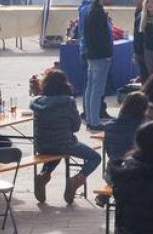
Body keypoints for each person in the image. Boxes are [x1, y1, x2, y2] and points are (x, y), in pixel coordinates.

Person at [30, 68, 103, 205]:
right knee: (95, 157)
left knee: (55, 152)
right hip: (64, 143)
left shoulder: (37, 102)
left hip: (42, 145)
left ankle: (44, 174)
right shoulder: (68, 102)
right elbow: (76, 127)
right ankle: (76, 180)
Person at [84, 0, 115, 131]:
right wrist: (107, 54)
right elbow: (100, 37)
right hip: (100, 56)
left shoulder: (92, 10)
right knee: (97, 90)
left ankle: (91, 118)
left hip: (92, 55)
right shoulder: (98, 12)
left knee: (91, 88)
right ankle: (95, 121)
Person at [104, 91, 150, 169]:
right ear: (144, 109)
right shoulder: (145, 127)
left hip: (113, 170)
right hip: (136, 171)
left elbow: (109, 152)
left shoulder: (109, 125)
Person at [131, 0, 151, 82]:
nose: (134, 0)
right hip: (139, 50)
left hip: (146, 50)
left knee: (148, 76)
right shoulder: (137, 11)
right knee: (144, 75)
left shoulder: (148, 13)